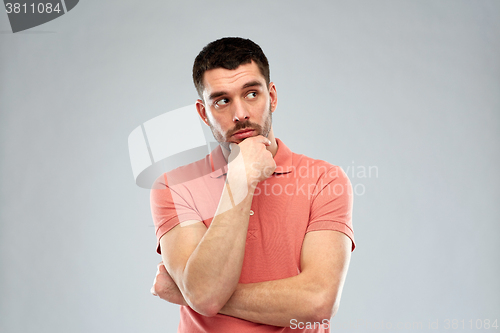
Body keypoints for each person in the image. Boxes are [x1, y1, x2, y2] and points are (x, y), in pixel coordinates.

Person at [149, 37, 355, 332]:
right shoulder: (174, 186)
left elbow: (318, 302)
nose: (240, 114)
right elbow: (205, 296)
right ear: (203, 113)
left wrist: (188, 293)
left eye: (251, 94)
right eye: (222, 101)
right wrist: (240, 178)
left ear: (271, 97)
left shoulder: (326, 180)